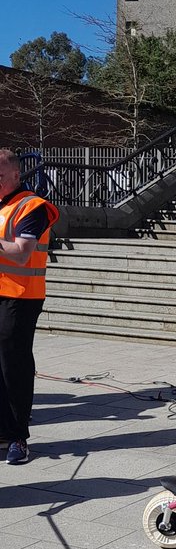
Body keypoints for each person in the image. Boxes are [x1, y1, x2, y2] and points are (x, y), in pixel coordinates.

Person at [0, 148, 60, 465]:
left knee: (14, 365)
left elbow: (22, 253)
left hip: (21, 296)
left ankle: (18, 438)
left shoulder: (33, 206)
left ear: (15, 174)